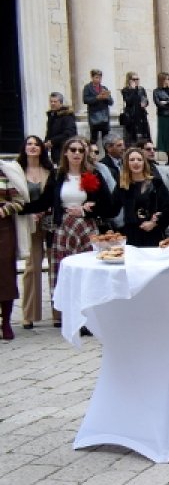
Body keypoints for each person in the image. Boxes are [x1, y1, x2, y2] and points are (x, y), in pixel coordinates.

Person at [25, 136, 116, 328]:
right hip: (64, 229)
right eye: (73, 150)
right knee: (66, 274)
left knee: (88, 273)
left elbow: (109, 206)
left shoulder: (94, 175)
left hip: (86, 227)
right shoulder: (58, 177)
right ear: (65, 152)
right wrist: (18, 207)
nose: (76, 153)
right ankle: (71, 316)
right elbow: (44, 201)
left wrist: (86, 209)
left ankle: (89, 317)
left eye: (81, 150)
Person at [14, 137, 54, 330]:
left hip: (50, 223)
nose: (32, 147)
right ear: (24, 148)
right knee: (32, 267)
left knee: (56, 267)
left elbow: (54, 196)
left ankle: (58, 314)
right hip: (28, 224)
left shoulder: (50, 171)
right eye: (29, 144)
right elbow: (14, 197)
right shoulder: (16, 171)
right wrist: (31, 211)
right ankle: (29, 314)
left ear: (41, 149)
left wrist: (44, 210)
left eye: (36, 144)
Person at [114, 146, 169, 248]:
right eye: (132, 160)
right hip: (131, 235)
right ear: (127, 163)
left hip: (152, 234)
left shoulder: (156, 183)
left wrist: (156, 222)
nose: (136, 162)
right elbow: (111, 208)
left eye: (139, 159)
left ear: (144, 163)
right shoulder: (122, 185)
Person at [0, 159, 29, 340]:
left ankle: (6, 322)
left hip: (3, 229)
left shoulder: (5, 172)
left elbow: (19, 200)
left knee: (5, 274)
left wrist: (4, 210)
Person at [44, 93, 77, 164]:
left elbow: (69, 133)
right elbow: (49, 133)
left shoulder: (67, 116)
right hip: (54, 151)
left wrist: (52, 141)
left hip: (64, 150)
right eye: (51, 101)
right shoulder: (51, 117)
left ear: (61, 103)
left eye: (55, 102)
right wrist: (46, 143)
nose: (52, 104)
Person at [82, 69, 112, 145]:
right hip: (94, 117)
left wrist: (107, 97)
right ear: (92, 77)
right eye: (96, 77)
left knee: (106, 139)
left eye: (100, 78)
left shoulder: (104, 88)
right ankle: (93, 154)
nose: (98, 79)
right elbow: (85, 100)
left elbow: (111, 102)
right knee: (93, 138)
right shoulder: (87, 88)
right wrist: (96, 98)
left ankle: (106, 154)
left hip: (104, 117)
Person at [119, 72, 151, 144]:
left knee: (144, 135)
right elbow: (128, 101)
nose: (136, 81)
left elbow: (146, 100)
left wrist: (145, 103)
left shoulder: (141, 89)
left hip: (141, 115)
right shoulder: (125, 90)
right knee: (132, 138)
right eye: (134, 79)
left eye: (137, 79)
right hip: (131, 116)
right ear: (129, 80)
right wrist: (133, 90)